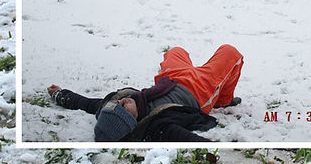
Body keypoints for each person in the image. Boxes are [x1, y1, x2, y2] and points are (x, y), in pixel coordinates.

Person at [48, 44, 243, 142]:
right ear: (131, 119)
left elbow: (86, 103)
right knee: (230, 53)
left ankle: (189, 64)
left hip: (170, 79)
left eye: (118, 103)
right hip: (198, 89)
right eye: (124, 106)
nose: (123, 100)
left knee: (175, 51)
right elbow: (191, 140)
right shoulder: (159, 125)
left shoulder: (112, 109)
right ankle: (223, 100)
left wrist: (60, 94)